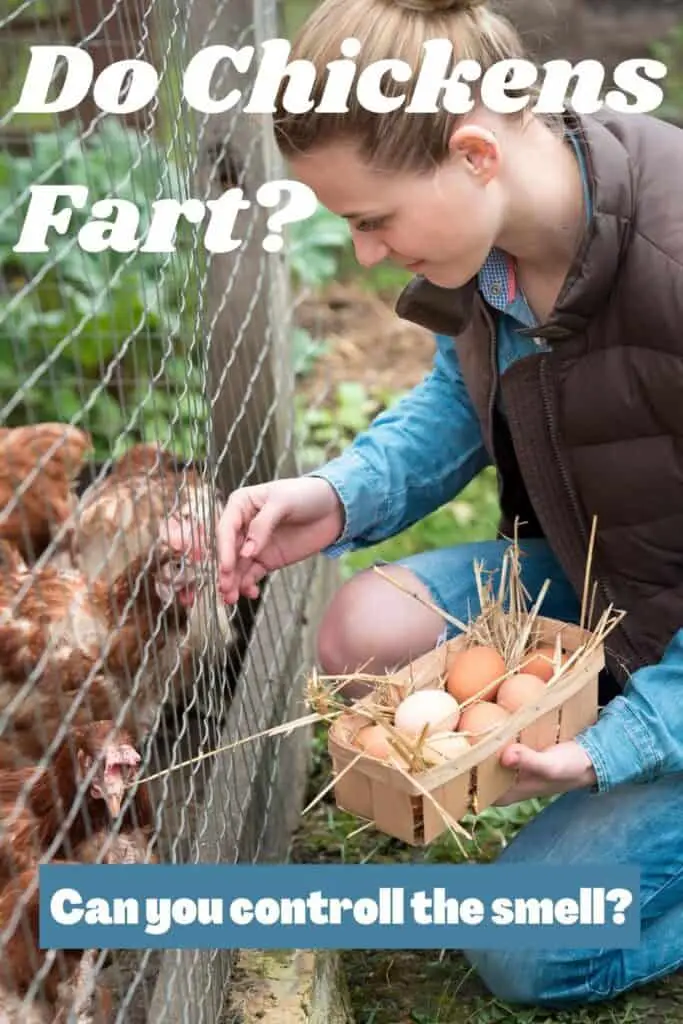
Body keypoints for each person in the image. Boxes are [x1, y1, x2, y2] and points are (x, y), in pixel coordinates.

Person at [184, 0, 683, 1007]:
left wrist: (614, 748)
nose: (366, 256)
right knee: (367, 623)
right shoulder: (494, 246)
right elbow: (467, 394)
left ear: (472, 151)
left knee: (528, 948)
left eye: (372, 221)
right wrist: (335, 494)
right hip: (625, 585)